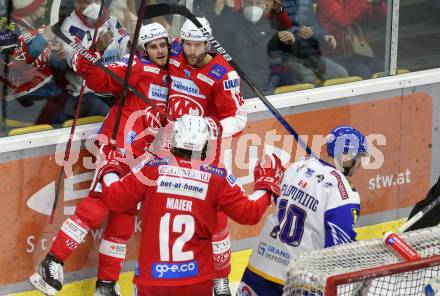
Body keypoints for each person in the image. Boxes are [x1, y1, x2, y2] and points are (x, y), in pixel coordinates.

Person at [29, 22, 170, 296]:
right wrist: (95, 53)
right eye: (153, 46)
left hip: (144, 157)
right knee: (100, 202)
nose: (159, 50)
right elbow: (97, 79)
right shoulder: (135, 66)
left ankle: (106, 284)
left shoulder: (174, 76)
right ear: (143, 49)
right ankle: (51, 262)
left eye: (162, 44)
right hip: (118, 146)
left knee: (124, 220)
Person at [99, 114, 285, 296]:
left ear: (173, 140)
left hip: (153, 280)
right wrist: (266, 186)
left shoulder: (151, 168)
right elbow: (249, 213)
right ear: (205, 144)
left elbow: (114, 198)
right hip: (197, 280)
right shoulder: (217, 175)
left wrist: (109, 167)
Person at [166, 17, 247, 295]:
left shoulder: (224, 75)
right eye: (186, 43)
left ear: (208, 43)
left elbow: (239, 119)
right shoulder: (174, 53)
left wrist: (209, 127)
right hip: (170, 147)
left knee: (214, 218)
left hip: (206, 151)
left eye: (197, 44)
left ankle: (221, 277)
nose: (190, 50)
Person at [237, 125, 370, 296]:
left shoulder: (295, 167)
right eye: (358, 158)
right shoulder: (343, 191)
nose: (359, 165)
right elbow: (339, 247)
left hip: (261, 265)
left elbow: (279, 203)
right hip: (301, 282)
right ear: (347, 157)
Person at [60, 0, 130, 119]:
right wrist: (96, 49)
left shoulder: (112, 21)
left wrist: (132, 43)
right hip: (86, 93)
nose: (91, 4)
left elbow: (127, 53)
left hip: (114, 89)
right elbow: (78, 64)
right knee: (114, 120)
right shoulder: (68, 27)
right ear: (77, 3)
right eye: (86, 1)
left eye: (95, 0)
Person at [5, 0, 67, 124]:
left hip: (51, 87)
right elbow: (13, 64)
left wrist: (58, 54)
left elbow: (58, 65)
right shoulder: (7, 27)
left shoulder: (41, 25)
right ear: (30, 8)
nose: (45, 10)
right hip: (25, 96)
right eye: (42, 6)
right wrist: (43, 39)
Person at [266, 0, 348, 90]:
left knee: (340, 73)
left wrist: (324, 35)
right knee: (308, 78)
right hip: (285, 54)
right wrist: (296, 32)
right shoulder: (275, 3)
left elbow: (312, 23)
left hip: (307, 51)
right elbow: (270, 27)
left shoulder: (305, 1)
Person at [316, 0, 387, 79]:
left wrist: (377, 3)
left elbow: (377, 16)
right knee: (364, 74)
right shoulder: (325, 1)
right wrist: (365, 2)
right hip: (336, 52)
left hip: (357, 50)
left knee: (384, 68)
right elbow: (343, 20)